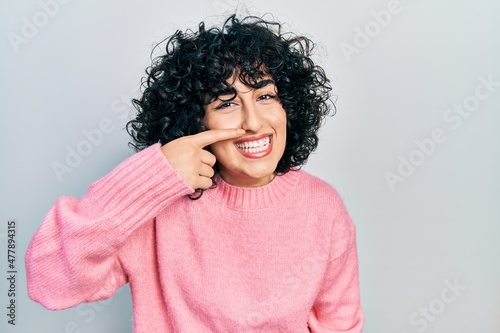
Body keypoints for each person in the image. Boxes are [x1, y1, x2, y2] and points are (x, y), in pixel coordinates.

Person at [25, 14, 364, 332]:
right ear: (195, 121)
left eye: (265, 96)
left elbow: (339, 325)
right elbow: (48, 278)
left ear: (288, 105)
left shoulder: (323, 206)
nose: (253, 122)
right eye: (225, 103)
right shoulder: (156, 206)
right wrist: (152, 175)